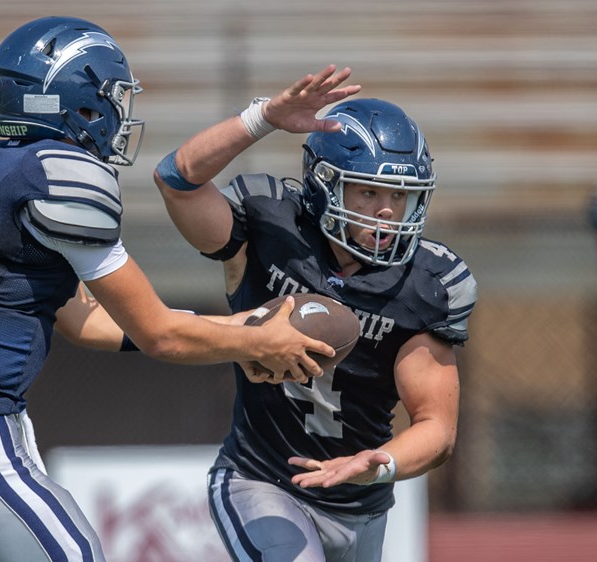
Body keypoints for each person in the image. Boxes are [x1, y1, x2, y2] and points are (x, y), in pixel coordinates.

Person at [0, 17, 334, 562]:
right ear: (79, 102)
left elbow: (84, 321)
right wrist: (256, 343)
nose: (118, 115)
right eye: (112, 99)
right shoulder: (63, 176)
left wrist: (239, 326)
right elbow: (159, 333)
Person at [154, 65, 478, 561]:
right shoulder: (271, 224)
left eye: (398, 195)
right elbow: (177, 180)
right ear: (325, 184)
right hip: (262, 481)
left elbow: (437, 426)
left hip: (362, 503)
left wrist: (380, 462)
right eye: (369, 192)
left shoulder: (427, 283)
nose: (387, 210)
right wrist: (261, 118)